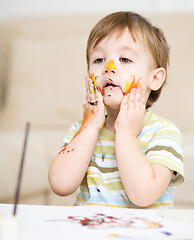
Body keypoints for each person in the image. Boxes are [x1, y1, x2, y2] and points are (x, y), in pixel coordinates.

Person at [48, 11, 184, 208]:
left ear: (154, 79)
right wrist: (91, 125)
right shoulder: (82, 129)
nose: (109, 67)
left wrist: (127, 135)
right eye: (98, 60)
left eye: (125, 59)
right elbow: (60, 185)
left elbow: (143, 195)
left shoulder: (163, 133)